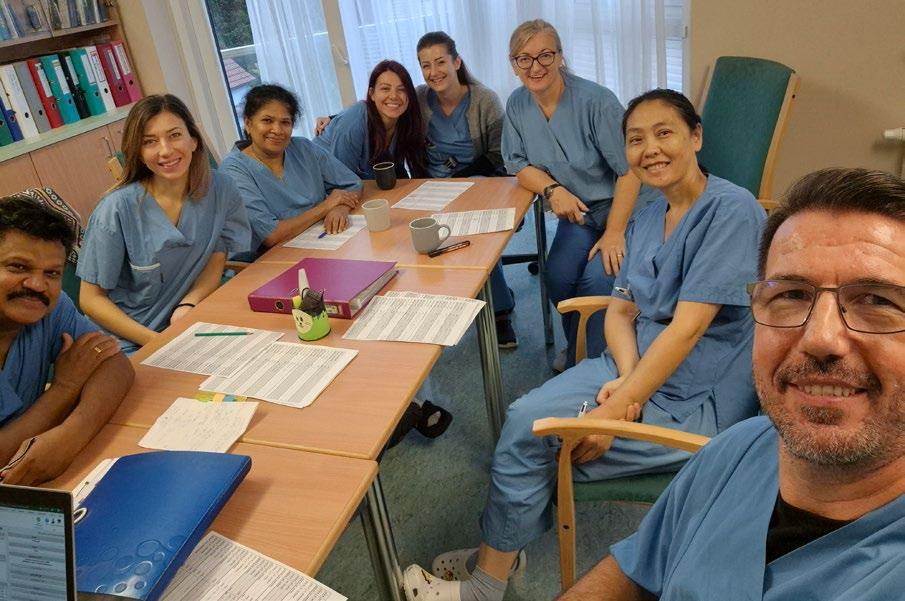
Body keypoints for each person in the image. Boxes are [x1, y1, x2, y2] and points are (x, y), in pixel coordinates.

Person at [402, 89, 765, 601]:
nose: (650, 149)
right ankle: (502, 553)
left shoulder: (732, 211)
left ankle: (488, 578)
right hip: (635, 366)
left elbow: (686, 330)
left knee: (539, 438)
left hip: (693, 396)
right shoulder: (648, 214)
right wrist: (627, 383)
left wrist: (613, 412)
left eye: (664, 133)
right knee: (522, 415)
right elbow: (620, 309)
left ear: (696, 137)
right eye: (636, 139)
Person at [561, 167, 905, 600]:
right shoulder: (737, 450)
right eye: (791, 295)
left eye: (877, 301)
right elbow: (639, 567)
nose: (820, 338)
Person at [501, 19, 644, 371]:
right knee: (559, 276)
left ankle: (594, 367)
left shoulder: (597, 102)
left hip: (627, 208)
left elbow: (630, 171)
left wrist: (615, 232)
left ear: (561, 56)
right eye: (524, 58)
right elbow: (516, 163)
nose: (535, 67)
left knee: (598, 279)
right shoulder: (517, 105)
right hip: (579, 211)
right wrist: (553, 189)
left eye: (545, 55)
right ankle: (579, 345)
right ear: (514, 64)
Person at [77, 95, 251, 354]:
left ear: (194, 140)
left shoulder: (221, 188)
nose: (166, 150)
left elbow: (216, 254)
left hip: (186, 326)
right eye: (150, 141)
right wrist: (157, 341)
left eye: (174, 135)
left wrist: (188, 305)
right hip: (124, 341)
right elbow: (90, 299)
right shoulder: (116, 210)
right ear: (138, 152)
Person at [0, 196, 133, 486]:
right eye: (18, 267)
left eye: (52, 273)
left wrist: (73, 433)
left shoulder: (51, 306)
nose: (38, 285)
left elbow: (114, 362)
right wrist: (64, 389)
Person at [415, 31, 517, 348]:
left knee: (478, 235)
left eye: (440, 62)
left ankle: (500, 311)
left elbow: (499, 155)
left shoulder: (484, 100)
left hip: (479, 182)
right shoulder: (419, 99)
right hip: (431, 189)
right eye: (426, 65)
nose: (434, 72)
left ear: (456, 62)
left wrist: (458, 184)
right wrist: (332, 118)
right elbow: (380, 106)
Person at [220, 84, 363, 257]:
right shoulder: (233, 170)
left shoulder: (304, 148)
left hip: (321, 244)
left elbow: (352, 184)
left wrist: (340, 208)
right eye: (267, 120)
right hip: (265, 260)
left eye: (285, 122)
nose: (277, 130)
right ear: (248, 124)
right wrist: (327, 206)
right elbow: (271, 235)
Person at [314, 60, 427, 180]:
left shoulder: (404, 122)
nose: (394, 96)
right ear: (372, 93)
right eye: (385, 89)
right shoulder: (355, 120)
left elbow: (397, 173)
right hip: (318, 181)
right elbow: (341, 180)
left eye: (402, 89)